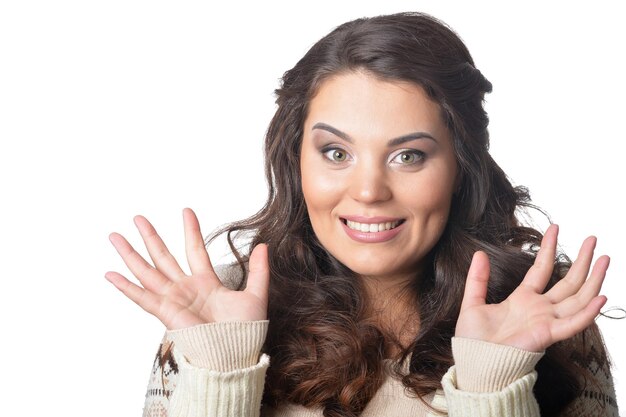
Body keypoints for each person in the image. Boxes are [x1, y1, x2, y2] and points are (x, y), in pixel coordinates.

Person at [105, 12, 618, 417]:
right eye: (336, 153)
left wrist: (492, 386)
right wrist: (220, 370)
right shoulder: (212, 309)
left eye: (408, 155)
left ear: (461, 165)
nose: (369, 191)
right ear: (295, 159)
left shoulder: (545, 311)